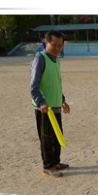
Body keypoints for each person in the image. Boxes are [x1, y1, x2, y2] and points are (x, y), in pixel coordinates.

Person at [30, 30, 71, 178]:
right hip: (45, 108)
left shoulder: (56, 60)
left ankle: (55, 162)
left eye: (60, 45)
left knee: (57, 136)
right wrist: (41, 102)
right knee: (47, 138)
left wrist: (62, 100)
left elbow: (56, 83)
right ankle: (47, 166)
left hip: (55, 106)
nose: (57, 48)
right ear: (45, 42)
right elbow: (34, 85)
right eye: (54, 45)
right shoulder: (40, 59)